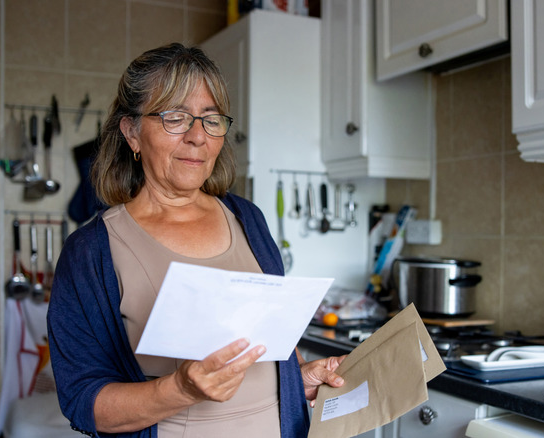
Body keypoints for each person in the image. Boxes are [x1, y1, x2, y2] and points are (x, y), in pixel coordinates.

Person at [47, 42, 346, 438]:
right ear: (132, 132)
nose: (197, 137)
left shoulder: (248, 219)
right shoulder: (91, 252)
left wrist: (295, 378)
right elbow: (85, 402)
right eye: (175, 117)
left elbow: (267, 336)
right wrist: (180, 389)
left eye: (211, 119)